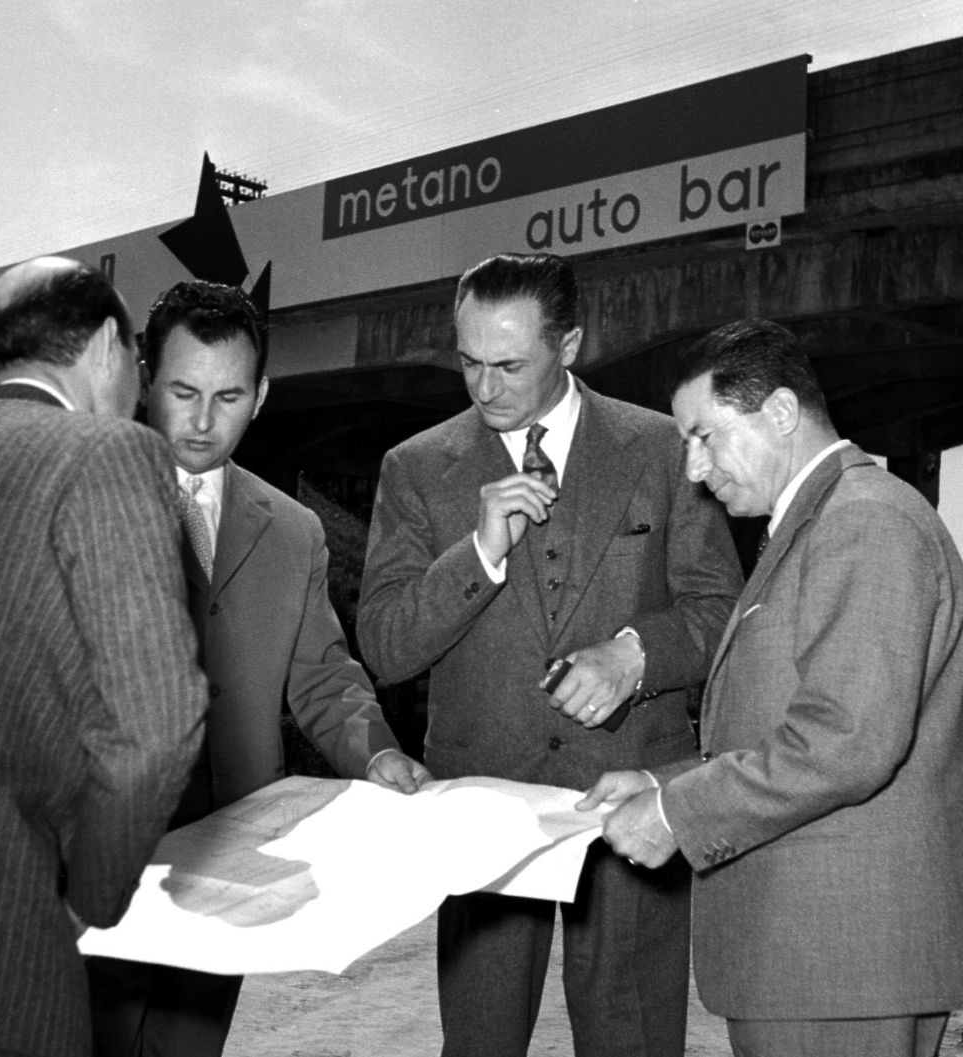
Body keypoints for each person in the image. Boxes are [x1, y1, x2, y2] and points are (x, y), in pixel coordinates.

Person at [357, 252, 743, 1057]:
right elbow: (386, 646)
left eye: (508, 364)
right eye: (468, 361)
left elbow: (723, 615)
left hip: (630, 797)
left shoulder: (663, 449)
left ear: (568, 345)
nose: (484, 387)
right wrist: (478, 555)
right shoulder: (415, 467)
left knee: (634, 1042)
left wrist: (635, 656)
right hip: (481, 803)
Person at [579, 318, 963, 1057]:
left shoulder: (864, 521)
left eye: (704, 436)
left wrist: (677, 812)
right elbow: (780, 727)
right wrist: (660, 782)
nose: (694, 469)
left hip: (837, 964)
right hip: (820, 960)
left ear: (781, 411)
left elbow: (845, 742)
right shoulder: (823, 521)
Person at [87, 279, 431, 1057]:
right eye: (183, 391)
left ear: (262, 395)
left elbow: (323, 675)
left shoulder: (294, 531)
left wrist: (376, 752)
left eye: (230, 396)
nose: (203, 421)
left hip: (233, 858)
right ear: (143, 379)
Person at [0, 257, 207, 1057]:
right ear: (104, 346)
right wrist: (89, 900)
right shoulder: (107, 453)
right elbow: (156, 728)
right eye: (139, 358)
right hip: (0, 972)